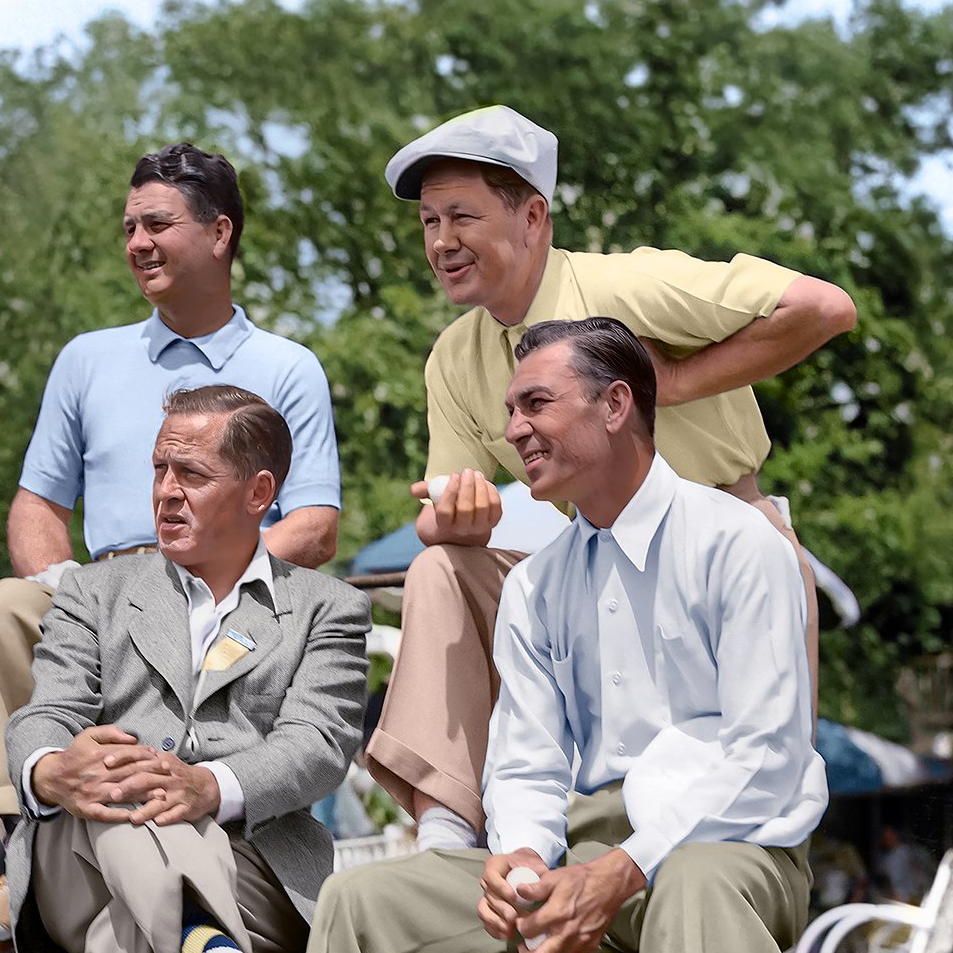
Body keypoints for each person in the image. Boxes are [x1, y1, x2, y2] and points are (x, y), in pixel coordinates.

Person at [169, 320, 827, 953]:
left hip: (738, 847)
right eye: (510, 408)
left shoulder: (740, 544)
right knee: (363, 901)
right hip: (586, 853)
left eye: (536, 405)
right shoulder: (539, 581)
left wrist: (624, 868)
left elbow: (766, 754)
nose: (512, 428)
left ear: (617, 405)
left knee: (699, 885)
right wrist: (520, 853)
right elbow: (525, 758)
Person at [0, 141, 343, 953]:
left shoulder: (287, 366)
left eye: (158, 223)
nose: (138, 242)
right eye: (128, 226)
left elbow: (314, 522)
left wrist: (198, 583)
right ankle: (26, 847)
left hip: (228, 614)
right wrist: (88, 593)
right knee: (13, 605)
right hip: (100, 610)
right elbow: (36, 504)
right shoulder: (87, 358)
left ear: (221, 233)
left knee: (178, 851)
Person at [366, 105, 854, 850]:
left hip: (721, 556)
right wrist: (453, 521)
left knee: (731, 829)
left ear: (533, 217)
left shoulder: (623, 288)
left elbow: (824, 307)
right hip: (592, 575)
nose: (441, 242)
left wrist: (672, 381)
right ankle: (446, 833)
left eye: (461, 216)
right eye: (429, 222)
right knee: (439, 570)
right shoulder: (454, 359)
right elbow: (441, 507)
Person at [4, 385, 370, 953]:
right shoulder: (95, 591)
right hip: (77, 859)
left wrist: (211, 785)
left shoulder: (326, 607)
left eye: (191, 473)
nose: (164, 490)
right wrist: (53, 770)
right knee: (116, 774)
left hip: (248, 872)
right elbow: (44, 713)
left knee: (134, 930)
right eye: (159, 469)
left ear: (259, 491)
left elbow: (319, 744)